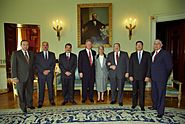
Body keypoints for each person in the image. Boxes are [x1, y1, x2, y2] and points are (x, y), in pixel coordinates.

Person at [149, 39, 173, 118]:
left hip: (161, 78)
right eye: (154, 44)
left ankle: (160, 111)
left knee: (161, 95)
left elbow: (169, 66)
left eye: (158, 44)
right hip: (153, 78)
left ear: (161, 45)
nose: (156, 45)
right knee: (154, 94)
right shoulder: (152, 53)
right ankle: (155, 106)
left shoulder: (165, 53)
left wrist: (165, 76)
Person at [11, 40, 35, 113]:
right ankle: (23, 107)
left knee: (30, 92)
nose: (26, 46)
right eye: (24, 44)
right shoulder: (16, 53)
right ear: (21, 45)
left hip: (30, 77)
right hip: (20, 77)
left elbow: (33, 65)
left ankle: (30, 104)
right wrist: (14, 77)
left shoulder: (31, 53)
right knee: (21, 93)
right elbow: (13, 66)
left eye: (27, 45)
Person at [129, 41, 151, 111]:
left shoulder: (147, 54)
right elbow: (130, 66)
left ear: (142, 46)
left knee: (142, 92)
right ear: (136, 46)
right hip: (134, 77)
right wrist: (130, 75)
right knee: (134, 92)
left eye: (140, 45)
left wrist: (148, 76)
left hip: (143, 77)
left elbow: (149, 66)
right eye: (137, 45)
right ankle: (134, 104)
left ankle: (142, 105)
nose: (138, 46)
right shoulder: (132, 55)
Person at [35, 41, 56, 108]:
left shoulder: (52, 54)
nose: (45, 46)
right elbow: (36, 65)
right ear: (42, 46)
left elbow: (53, 64)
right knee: (41, 88)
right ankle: (40, 102)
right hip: (41, 74)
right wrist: (42, 71)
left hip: (50, 74)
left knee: (50, 88)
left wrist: (49, 70)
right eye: (44, 45)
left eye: (46, 45)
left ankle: (51, 100)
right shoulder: (38, 55)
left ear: (48, 46)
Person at [78, 39, 96, 103]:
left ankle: (91, 97)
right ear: (85, 45)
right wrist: (80, 72)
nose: (89, 45)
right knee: (84, 86)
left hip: (92, 73)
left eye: (90, 44)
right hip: (84, 72)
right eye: (88, 44)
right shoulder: (81, 53)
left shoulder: (94, 52)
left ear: (91, 45)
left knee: (91, 86)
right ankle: (84, 98)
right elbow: (79, 63)